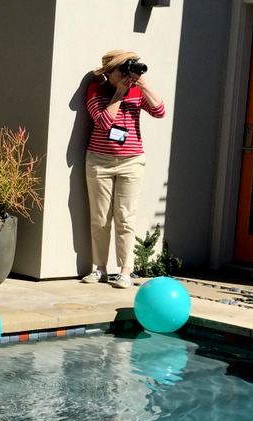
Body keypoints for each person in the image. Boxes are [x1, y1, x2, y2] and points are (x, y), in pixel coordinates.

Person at [81, 49, 165, 289]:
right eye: (123, 70)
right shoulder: (96, 90)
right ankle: (100, 269)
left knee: (125, 218)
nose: (129, 74)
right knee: (100, 218)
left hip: (131, 161)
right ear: (109, 72)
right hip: (99, 161)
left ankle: (125, 271)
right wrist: (118, 94)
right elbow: (104, 122)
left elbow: (159, 111)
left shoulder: (138, 90)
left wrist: (144, 84)